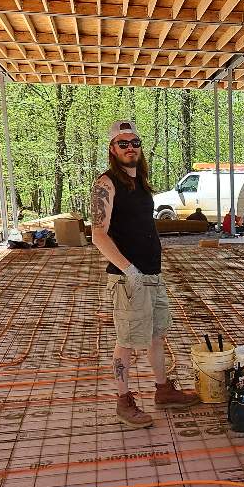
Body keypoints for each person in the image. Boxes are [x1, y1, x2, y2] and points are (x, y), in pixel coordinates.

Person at [91, 120, 198, 428]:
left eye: (134, 142)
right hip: (128, 279)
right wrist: (129, 270)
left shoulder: (139, 182)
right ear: (112, 149)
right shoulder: (106, 184)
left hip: (151, 274)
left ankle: (163, 390)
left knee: (156, 334)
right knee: (126, 340)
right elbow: (98, 235)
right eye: (123, 143)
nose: (130, 148)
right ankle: (123, 400)